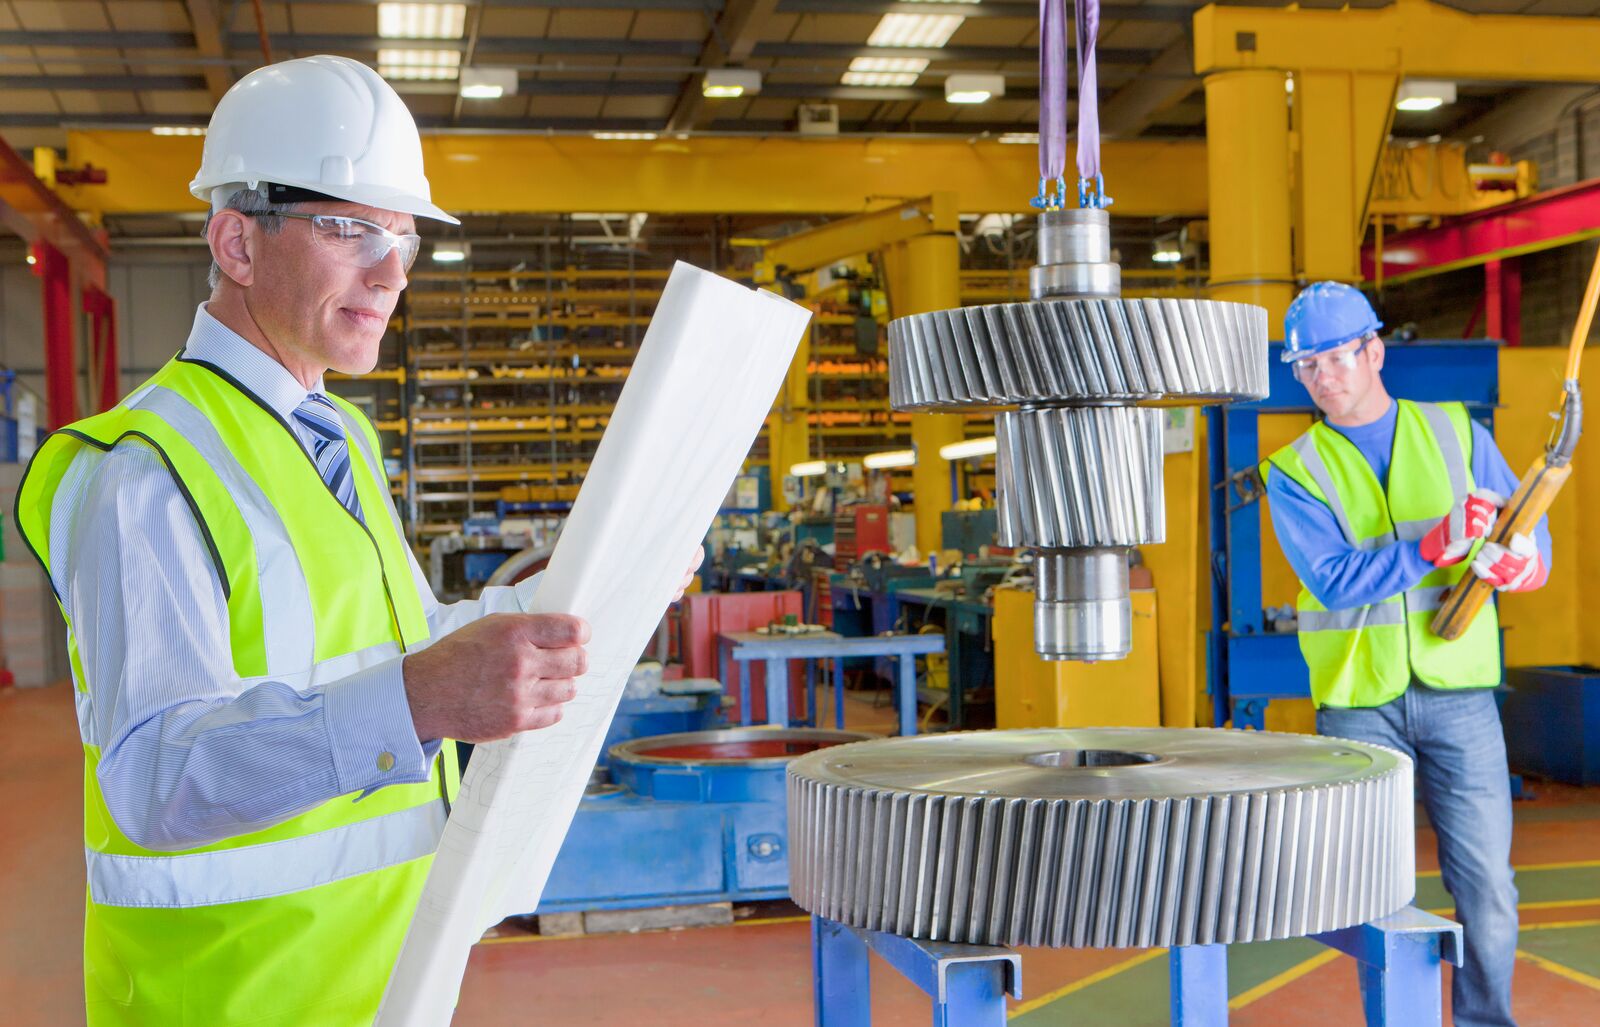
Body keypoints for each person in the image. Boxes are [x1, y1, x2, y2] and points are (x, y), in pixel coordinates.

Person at [13, 56, 698, 1025]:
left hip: (385, 978)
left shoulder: (341, 440)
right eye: (350, 230)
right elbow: (155, 779)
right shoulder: (146, 468)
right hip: (229, 997)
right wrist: (419, 700)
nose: (392, 273)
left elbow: (398, 643)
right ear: (237, 243)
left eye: (405, 240)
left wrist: (598, 582)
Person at [1263, 281, 1546, 1027]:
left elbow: (1527, 529)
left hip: (1458, 692)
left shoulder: (1456, 431)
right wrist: (1430, 544)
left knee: (1487, 885)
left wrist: (1527, 564)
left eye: (1333, 358)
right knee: (1376, 893)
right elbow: (1330, 578)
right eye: (1306, 367)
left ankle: (1487, 1021)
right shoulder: (1295, 470)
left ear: (1374, 351)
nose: (1321, 377)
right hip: (1360, 706)